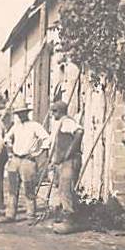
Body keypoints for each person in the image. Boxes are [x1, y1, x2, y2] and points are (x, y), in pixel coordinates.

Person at [2, 101, 50, 223]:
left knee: (29, 189)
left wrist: (37, 153)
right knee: (12, 188)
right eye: (18, 113)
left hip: (28, 161)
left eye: (23, 113)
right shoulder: (16, 126)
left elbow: (46, 139)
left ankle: (31, 215)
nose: (21, 115)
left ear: (27, 113)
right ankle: (10, 214)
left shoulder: (35, 126)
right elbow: (7, 138)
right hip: (15, 159)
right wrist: (10, 150)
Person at [48, 100, 84, 233]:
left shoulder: (68, 122)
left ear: (61, 111)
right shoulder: (58, 123)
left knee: (66, 190)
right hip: (61, 163)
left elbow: (79, 132)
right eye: (52, 111)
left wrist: (69, 152)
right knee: (61, 190)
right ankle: (63, 217)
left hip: (69, 161)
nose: (52, 114)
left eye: (54, 111)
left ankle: (70, 222)